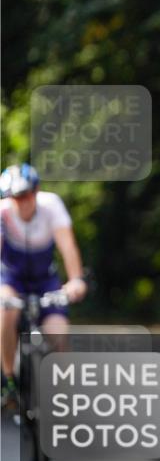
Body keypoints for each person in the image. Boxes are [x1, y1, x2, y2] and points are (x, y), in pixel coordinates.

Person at [0, 164, 87, 405]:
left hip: (44, 280)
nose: (20, 202)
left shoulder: (51, 206)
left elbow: (68, 247)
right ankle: (8, 380)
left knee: (58, 333)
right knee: (6, 310)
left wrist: (76, 280)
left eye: (25, 195)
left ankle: (68, 400)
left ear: (36, 191)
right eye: (14, 197)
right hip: (11, 278)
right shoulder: (2, 213)